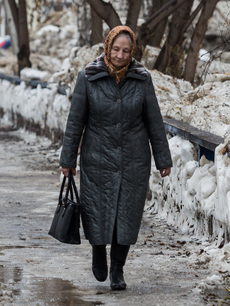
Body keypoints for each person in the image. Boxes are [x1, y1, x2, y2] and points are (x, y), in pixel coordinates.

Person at [60, 26, 172, 291]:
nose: (120, 55)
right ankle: (98, 250)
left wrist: (163, 158)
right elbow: (75, 121)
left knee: (128, 214)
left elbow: (154, 121)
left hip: (134, 158)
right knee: (96, 210)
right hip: (97, 156)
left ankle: (118, 269)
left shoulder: (142, 78)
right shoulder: (88, 77)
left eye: (125, 50)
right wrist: (68, 160)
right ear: (107, 48)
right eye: (115, 49)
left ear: (132, 52)